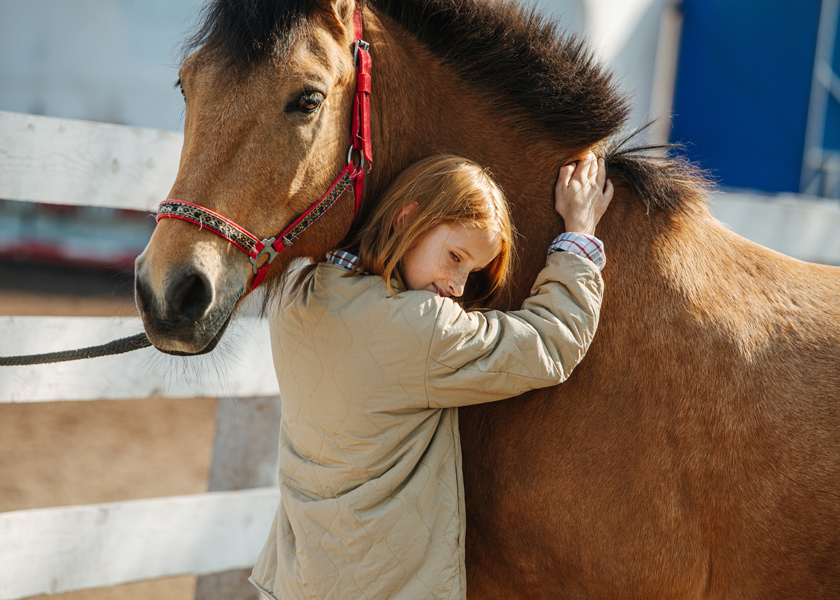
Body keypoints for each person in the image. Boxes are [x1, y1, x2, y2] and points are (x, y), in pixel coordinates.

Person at [250, 152, 613, 600]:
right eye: (456, 256)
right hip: (386, 586)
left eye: (471, 272)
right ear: (406, 219)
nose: (459, 286)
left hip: (300, 575)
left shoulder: (296, 290)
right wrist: (578, 235)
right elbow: (551, 344)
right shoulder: (421, 330)